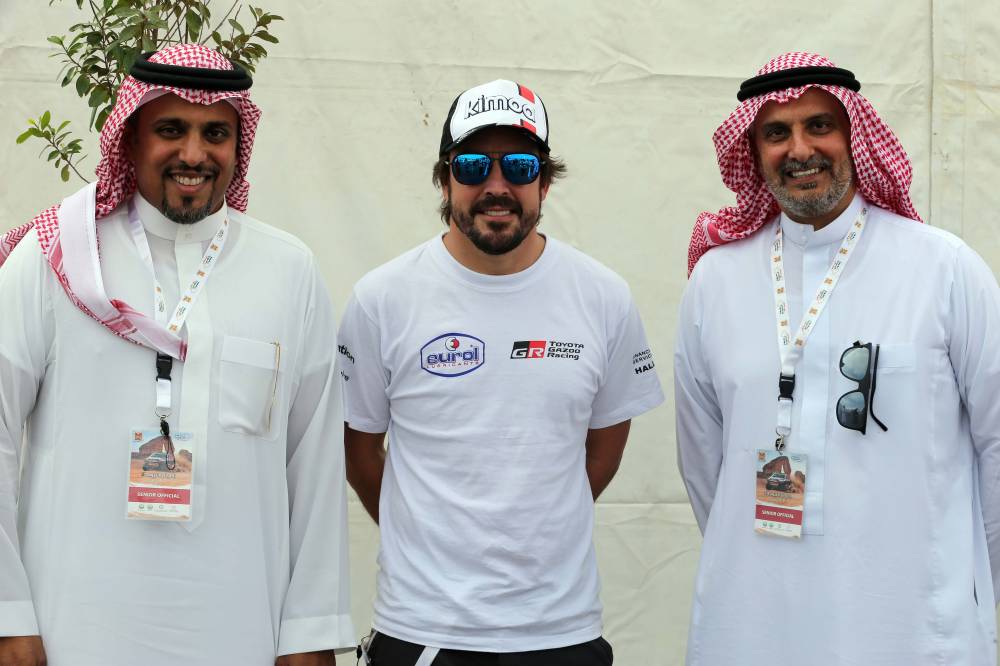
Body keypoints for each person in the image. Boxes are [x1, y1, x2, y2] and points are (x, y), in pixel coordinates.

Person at [0, 44, 353, 665]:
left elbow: (316, 463)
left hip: (242, 625)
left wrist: (313, 632)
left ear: (237, 148)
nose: (194, 154)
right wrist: (8, 616)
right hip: (73, 626)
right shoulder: (53, 259)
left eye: (215, 133)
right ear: (130, 140)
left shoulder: (288, 269)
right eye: (171, 129)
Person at [675, 51, 1000, 665]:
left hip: (912, 626)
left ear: (855, 134)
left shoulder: (943, 268)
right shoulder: (714, 280)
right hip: (751, 623)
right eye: (776, 132)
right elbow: (703, 465)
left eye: (819, 125)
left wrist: (959, 578)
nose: (799, 149)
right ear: (754, 150)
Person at [339, 79, 664, 665]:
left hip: (561, 629)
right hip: (424, 628)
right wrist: (426, 544)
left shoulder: (604, 297)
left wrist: (539, 522)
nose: (496, 186)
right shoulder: (381, 298)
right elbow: (360, 454)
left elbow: (605, 447)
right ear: (444, 180)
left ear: (544, 179)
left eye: (517, 165)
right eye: (471, 166)